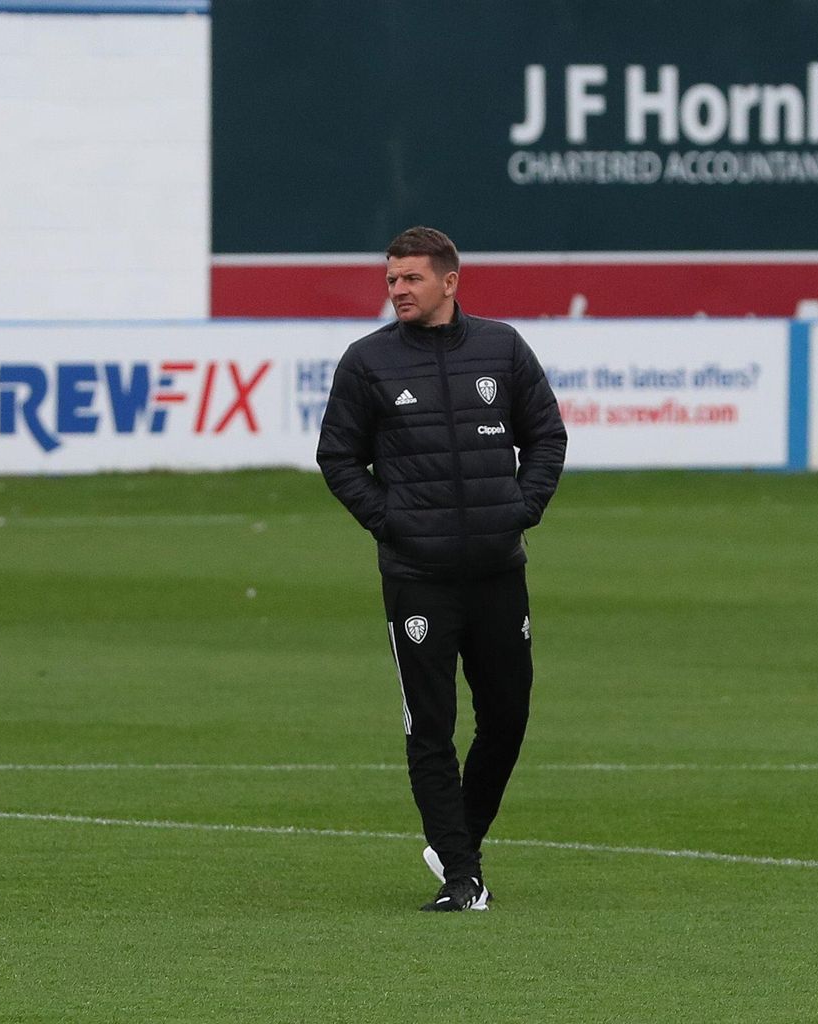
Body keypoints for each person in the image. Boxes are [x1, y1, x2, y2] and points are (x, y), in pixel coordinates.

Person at [316, 226, 567, 912]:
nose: (397, 290)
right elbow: (337, 457)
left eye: (411, 279)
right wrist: (391, 520)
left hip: (497, 569)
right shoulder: (367, 361)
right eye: (391, 279)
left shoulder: (502, 348)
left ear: (449, 282)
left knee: (507, 717)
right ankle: (462, 875)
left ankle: (460, 839)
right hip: (418, 577)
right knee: (431, 727)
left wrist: (522, 508)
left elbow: (546, 435)